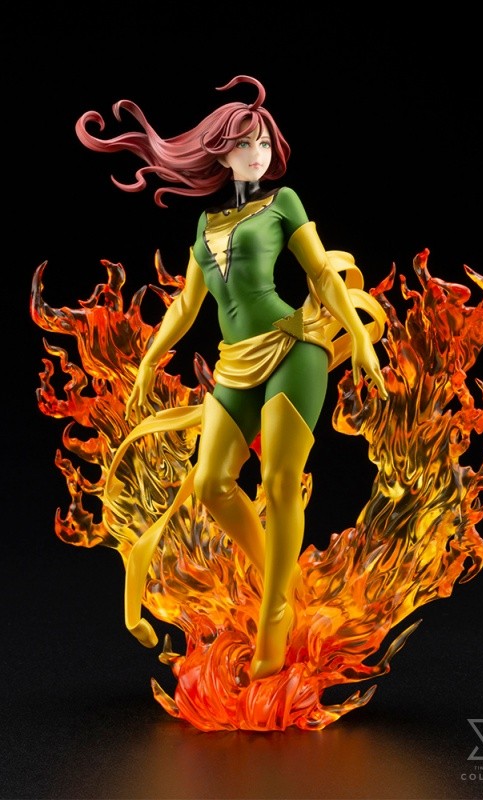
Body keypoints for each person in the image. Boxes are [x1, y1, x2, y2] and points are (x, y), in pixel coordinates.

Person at [76, 75, 388, 680]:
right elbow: (187, 305)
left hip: (292, 348)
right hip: (233, 361)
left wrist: (358, 337)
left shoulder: (284, 202)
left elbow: (321, 275)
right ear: (220, 151)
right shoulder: (206, 223)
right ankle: (283, 582)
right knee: (212, 483)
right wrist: (149, 359)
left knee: (278, 482)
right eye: (245, 143)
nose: (258, 154)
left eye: (264, 143)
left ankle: (275, 618)